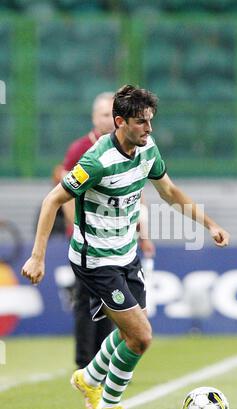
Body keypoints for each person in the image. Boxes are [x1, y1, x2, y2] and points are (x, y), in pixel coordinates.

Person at [21, 84, 230, 409]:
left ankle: (88, 378)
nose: (149, 129)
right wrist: (37, 257)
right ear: (120, 122)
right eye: (141, 122)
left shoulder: (148, 151)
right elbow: (52, 200)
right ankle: (109, 405)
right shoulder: (96, 161)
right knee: (141, 336)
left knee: (130, 330)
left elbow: (170, 192)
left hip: (126, 253)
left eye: (151, 121)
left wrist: (210, 224)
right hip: (95, 259)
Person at [61, 92, 155, 369]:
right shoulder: (83, 150)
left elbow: (137, 192)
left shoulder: (132, 148)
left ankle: (100, 365)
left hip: (119, 244)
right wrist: (75, 227)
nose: (106, 120)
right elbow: (62, 194)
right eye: (102, 115)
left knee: (112, 312)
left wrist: (144, 233)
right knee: (84, 304)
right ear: (95, 118)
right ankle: (84, 363)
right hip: (89, 245)